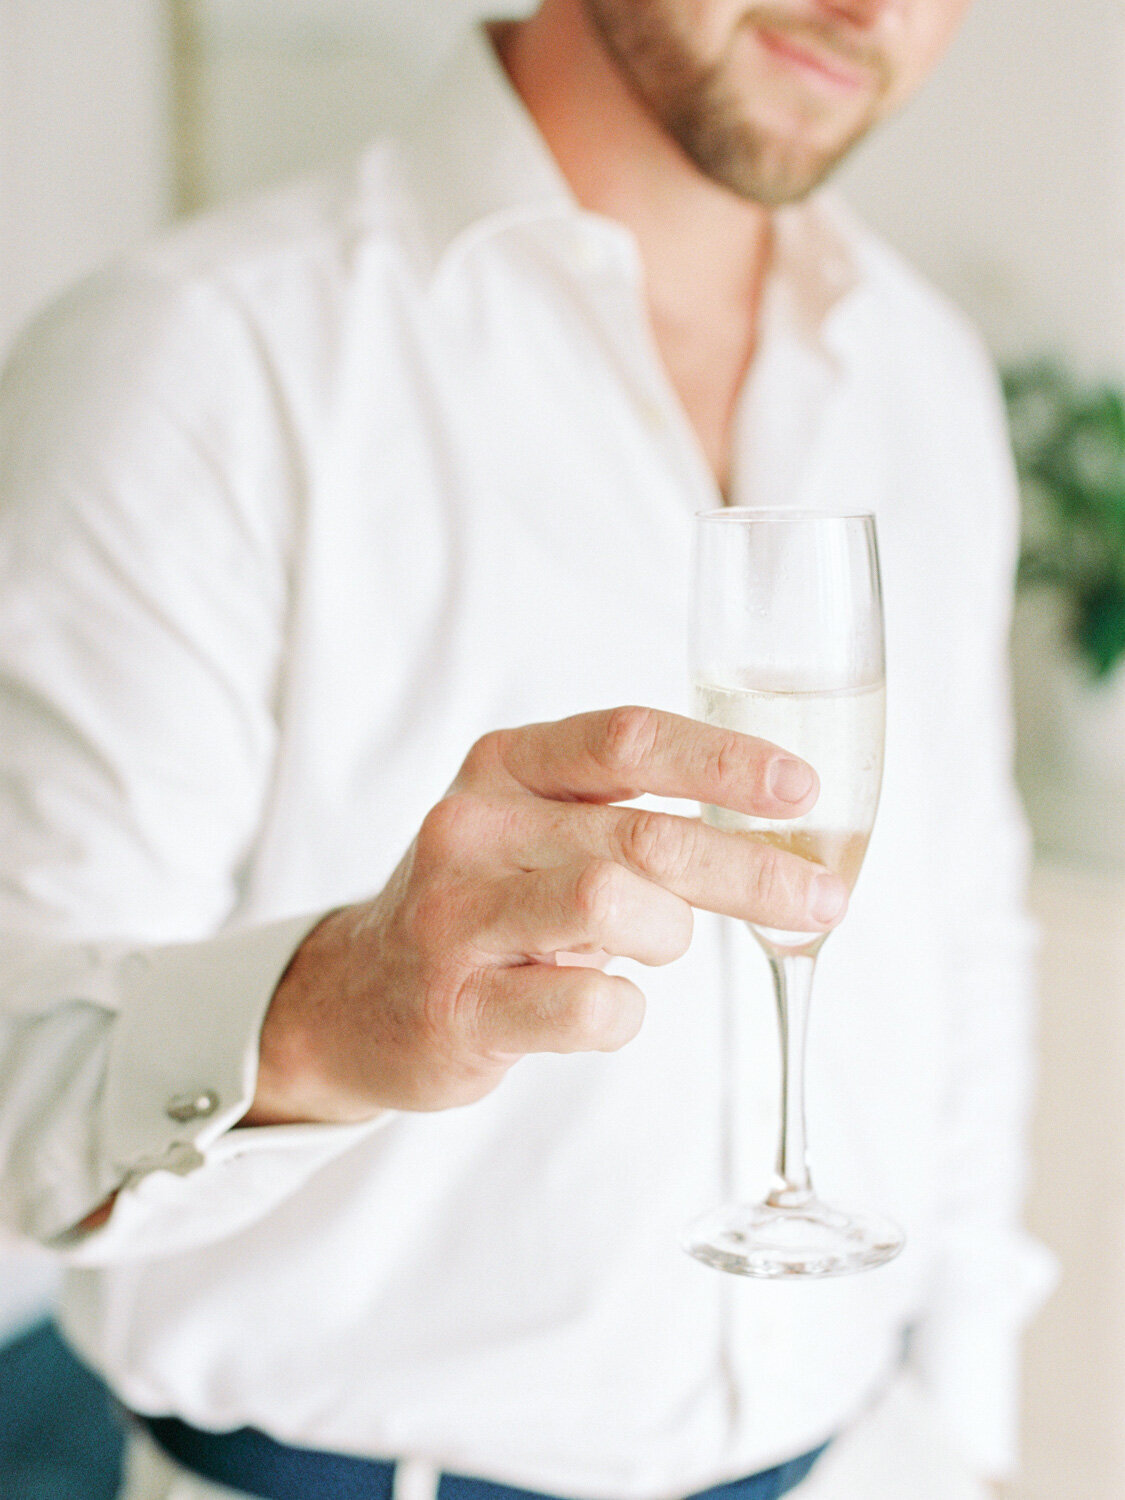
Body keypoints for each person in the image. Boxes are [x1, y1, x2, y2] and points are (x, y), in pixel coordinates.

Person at [0, 2, 1053, 1497]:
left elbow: (960, 944)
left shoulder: (926, 378)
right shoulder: (196, 358)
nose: (870, 9)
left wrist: (954, 1429)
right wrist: (314, 1018)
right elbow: (14, 1072)